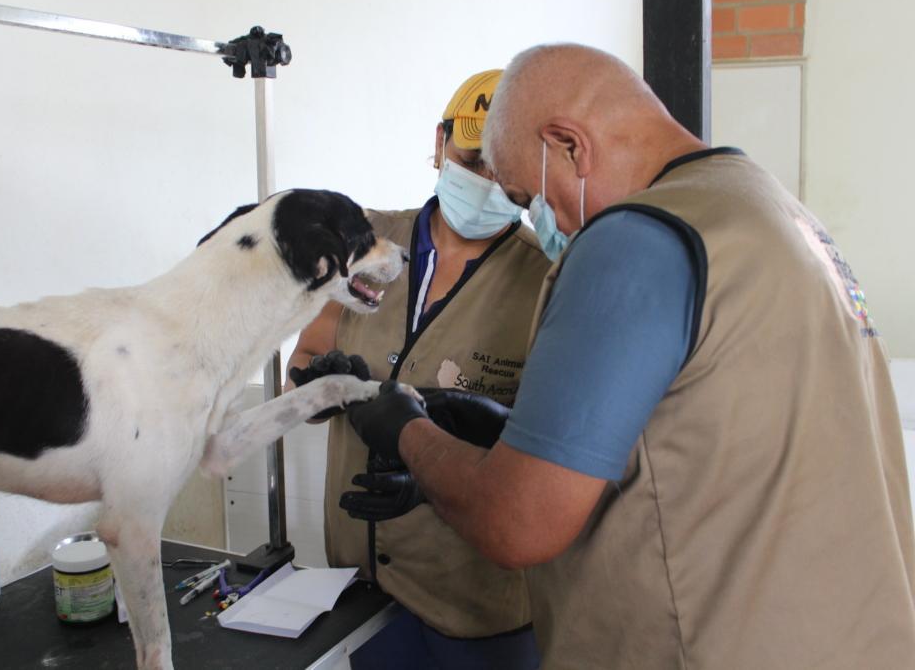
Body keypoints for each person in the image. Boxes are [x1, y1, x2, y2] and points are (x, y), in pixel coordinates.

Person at [346, 44, 915, 669]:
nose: (547, 222)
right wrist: (508, 432)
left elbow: (518, 524)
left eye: (528, 198)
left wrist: (408, 431)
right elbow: (715, 439)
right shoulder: (768, 210)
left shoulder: (631, 240)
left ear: (569, 145)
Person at [286, 70, 551, 669]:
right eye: (471, 160)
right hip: (358, 591)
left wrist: (430, 482)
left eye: (502, 168)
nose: (485, 181)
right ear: (439, 142)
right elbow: (300, 363)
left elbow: (546, 454)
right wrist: (323, 386)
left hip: (476, 607)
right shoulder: (363, 243)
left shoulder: (545, 279)